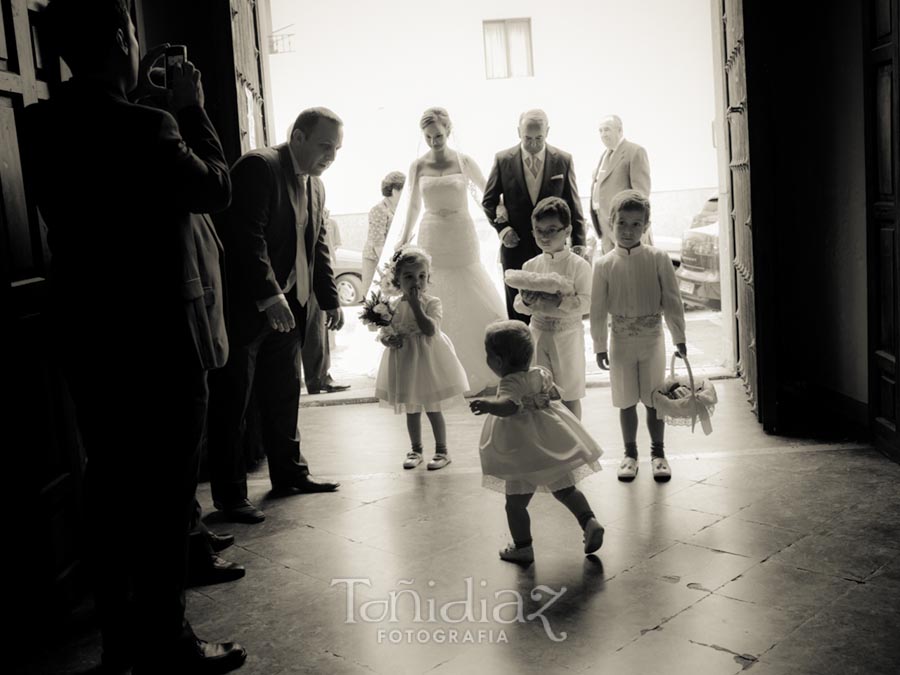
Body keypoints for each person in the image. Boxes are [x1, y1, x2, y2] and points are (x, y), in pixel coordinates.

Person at [24, 1, 245, 672]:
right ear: (123, 38)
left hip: (84, 326)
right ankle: (167, 639)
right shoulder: (150, 125)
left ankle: (120, 638)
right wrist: (192, 107)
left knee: (109, 478)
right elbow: (215, 189)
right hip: (157, 332)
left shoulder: (35, 123)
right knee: (167, 487)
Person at [207, 107, 344, 525]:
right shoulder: (260, 166)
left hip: (293, 308)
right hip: (248, 310)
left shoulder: (317, 186)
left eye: (336, 149)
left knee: (284, 396)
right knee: (233, 404)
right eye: (325, 146)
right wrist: (268, 296)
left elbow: (317, 244)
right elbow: (245, 235)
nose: (331, 156)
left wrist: (330, 298)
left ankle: (289, 475)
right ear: (298, 137)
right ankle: (230, 498)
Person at [470, 321, 604, 565]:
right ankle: (589, 521)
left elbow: (509, 406)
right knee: (565, 489)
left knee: (515, 503)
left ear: (498, 362)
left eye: (487, 355)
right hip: (548, 443)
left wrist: (490, 405)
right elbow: (555, 395)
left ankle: (523, 547)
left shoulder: (509, 381)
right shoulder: (541, 372)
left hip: (521, 450)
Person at [394, 106, 506, 394]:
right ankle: (438, 368)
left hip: (461, 232)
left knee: (469, 285)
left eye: (439, 136)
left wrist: (501, 225)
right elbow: (414, 206)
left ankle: (480, 365)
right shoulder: (418, 166)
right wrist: (405, 237)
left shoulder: (465, 162)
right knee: (435, 287)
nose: (434, 141)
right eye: (429, 137)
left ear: (449, 131)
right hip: (431, 231)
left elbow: (488, 195)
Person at [590, 190, 687, 482]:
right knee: (625, 400)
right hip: (619, 341)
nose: (629, 230)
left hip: (652, 339)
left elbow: (672, 299)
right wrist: (598, 345)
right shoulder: (604, 265)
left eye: (636, 224)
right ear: (611, 223)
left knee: (655, 398)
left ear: (645, 226)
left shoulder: (658, 258)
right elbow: (596, 310)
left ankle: (658, 453)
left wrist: (679, 336)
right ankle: (629, 454)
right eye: (622, 223)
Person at [483, 109, 586, 323]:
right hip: (516, 247)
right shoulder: (503, 160)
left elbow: (573, 204)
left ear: (547, 131)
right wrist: (503, 229)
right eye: (527, 138)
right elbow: (489, 201)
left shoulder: (563, 160)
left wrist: (579, 243)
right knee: (519, 310)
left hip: (555, 250)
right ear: (518, 132)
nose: (533, 144)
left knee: (555, 309)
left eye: (539, 138)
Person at [374, 246, 469, 470]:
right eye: (408, 276)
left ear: (428, 278)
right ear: (397, 279)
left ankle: (442, 451)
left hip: (428, 361)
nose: (416, 281)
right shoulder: (392, 306)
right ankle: (415, 449)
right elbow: (385, 332)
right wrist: (389, 340)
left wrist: (416, 305)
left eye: (422, 276)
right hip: (406, 361)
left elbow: (429, 329)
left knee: (432, 407)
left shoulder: (432, 303)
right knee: (412, 407)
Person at [512, 197, 592, 419]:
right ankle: (548, 440)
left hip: (567, 335)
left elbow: (586, 303)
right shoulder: (530, 265)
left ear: (567, 231)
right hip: (537, 332)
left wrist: (560, 302)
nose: (545, 236)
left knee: (569, 392)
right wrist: (527, 301)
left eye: (552, 230)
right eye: (539, 230)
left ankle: (576, 441)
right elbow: (519, 305)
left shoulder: (579, 266)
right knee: (539, 390)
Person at [301, 209, 350, 394]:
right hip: (287, 274)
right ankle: (313, 378)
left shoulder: (316, 191)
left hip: (315, 272)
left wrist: (332, 299)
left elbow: (323, 249)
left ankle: (319, 377)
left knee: (317, 328)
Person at [589, 115, 652, 254]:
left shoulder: (635, 151)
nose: (603, 134)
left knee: (631, 271)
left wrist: (636, 229)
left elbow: (641, 196)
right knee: (612, 272)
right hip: (604, 227)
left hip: (626, 229)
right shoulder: (604, 155)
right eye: (600, 131)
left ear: (620, 130)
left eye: (607, 129)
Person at [363, 170, 406, 293]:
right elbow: (377, 243)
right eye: (403, 191)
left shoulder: (398, 210)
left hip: (392, 259)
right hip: (376, 260)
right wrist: (389, 266)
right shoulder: (378, 210)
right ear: (394, 190)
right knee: (375, 296)